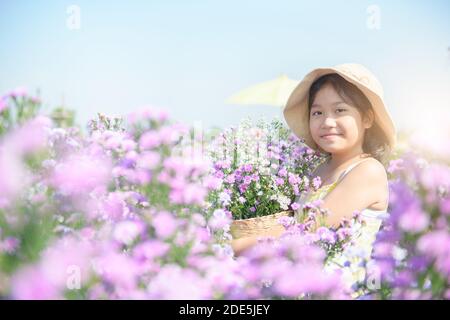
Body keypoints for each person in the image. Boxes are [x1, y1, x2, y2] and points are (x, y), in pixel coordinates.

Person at [231, 63, 396, 258]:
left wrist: (234, 246)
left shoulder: (367, 170)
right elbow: (292, 222)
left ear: (367, 119)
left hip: (335, 287)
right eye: (317, 113)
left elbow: (307, 229)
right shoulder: (319, 169)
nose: (327, 122)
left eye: (340, 110)